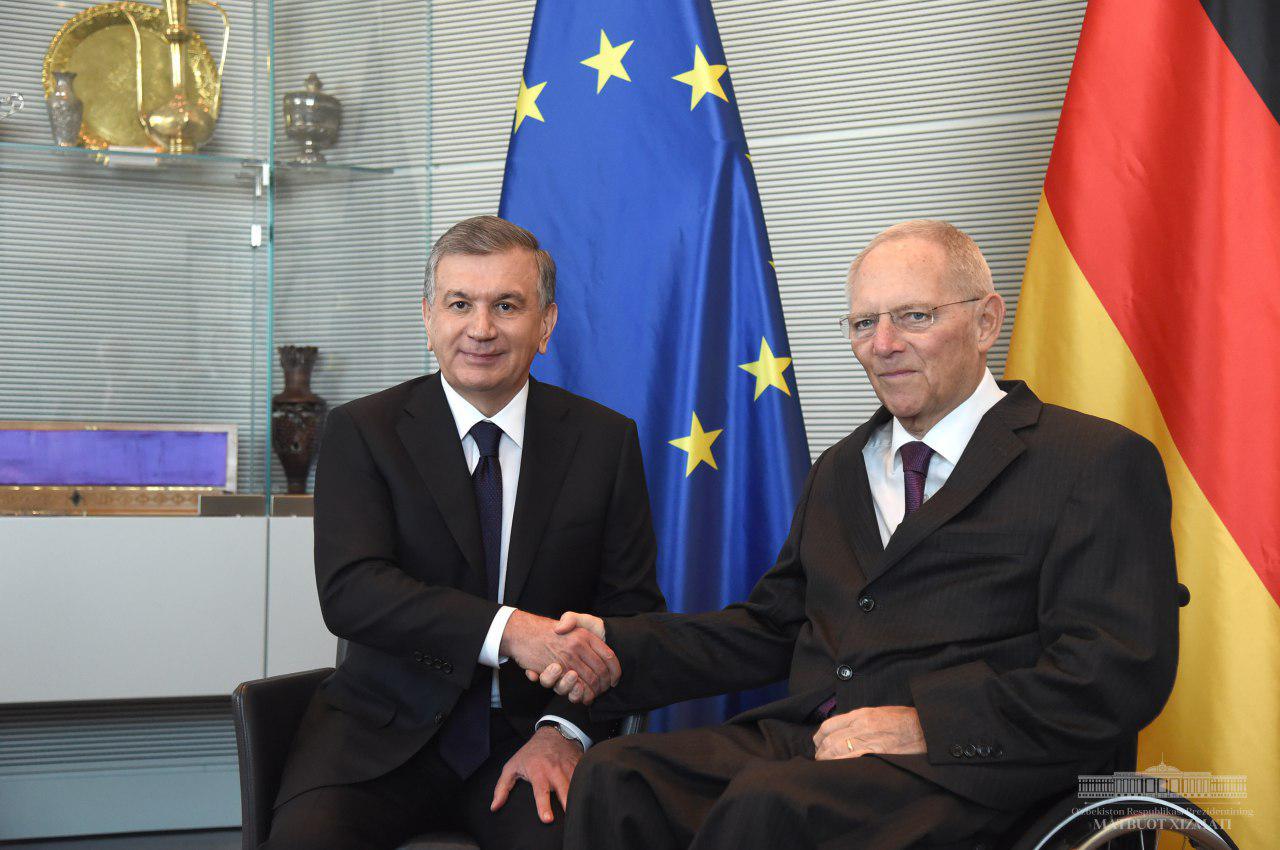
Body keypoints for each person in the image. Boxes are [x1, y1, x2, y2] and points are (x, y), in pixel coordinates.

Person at [544, 220, 1179, 849]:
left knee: (773, 806)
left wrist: (926, 725)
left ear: (986, 321)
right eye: (863, 323)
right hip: (818, 742)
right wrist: (616, 645)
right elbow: (774, 628)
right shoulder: (841, 469)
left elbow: (1114, 671)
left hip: (979, 769)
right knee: (617, 776)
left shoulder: (1092, 461)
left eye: (914, 316)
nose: (883, 344)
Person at [264, 216, 666, 850]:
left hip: (529, 739)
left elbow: (632, 612)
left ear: (546, 325)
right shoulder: (363, 432)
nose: (481, 329)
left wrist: (564, 730)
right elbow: (352, 591)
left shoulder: (605, 441)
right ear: (429, 319)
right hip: (378, 737)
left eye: (506, 305)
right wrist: (512, 632)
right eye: (460, 305)